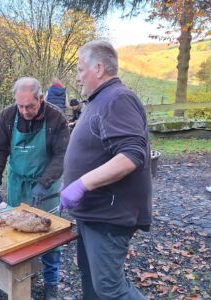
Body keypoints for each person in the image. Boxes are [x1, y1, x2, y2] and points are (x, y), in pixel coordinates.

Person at [60, 40, 152, 299]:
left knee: (110, 289)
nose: (78, 78)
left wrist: (81, 184)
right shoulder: (99, 100)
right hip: (92, 212)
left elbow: (132, 155)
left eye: (80, 70)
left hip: (109, 214)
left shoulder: (118, 98)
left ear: (98, 68)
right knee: (90, 279)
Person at [0, 77, 69, 300]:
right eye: (20, 106)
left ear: (41, 98)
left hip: (46, 186)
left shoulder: (55, 118)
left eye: (30, 106)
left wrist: (44, 183)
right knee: (17, 233)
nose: (24, 111)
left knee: (50, 236)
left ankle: (51, 283)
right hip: (17, 182)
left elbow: (62, 155)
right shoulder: (7, 116)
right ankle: (24, 277)